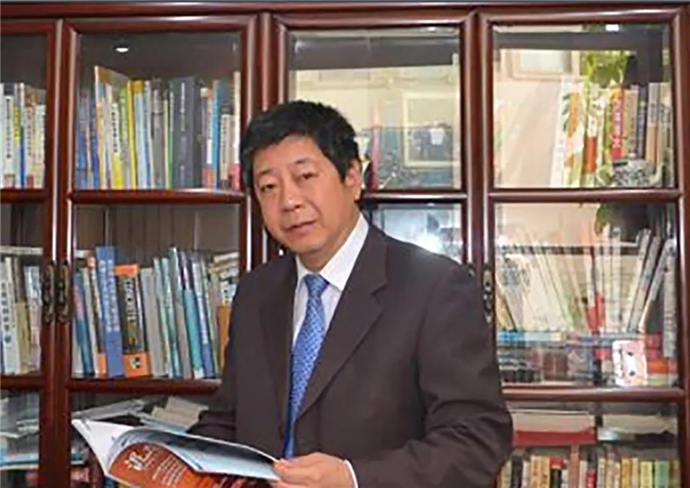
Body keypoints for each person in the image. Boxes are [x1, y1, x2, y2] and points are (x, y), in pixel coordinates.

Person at [189, 100, 513, 487]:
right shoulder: (256, 292)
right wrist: (168, 459)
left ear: (353, 178)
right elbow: (228, 421)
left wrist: (353, 477)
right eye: (268, 187)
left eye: (305, 176)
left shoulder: (436, 287)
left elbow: (476, 440)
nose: (289, 201)